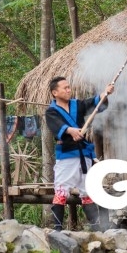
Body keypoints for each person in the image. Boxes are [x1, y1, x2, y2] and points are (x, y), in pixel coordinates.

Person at [45, 76, 115, 231]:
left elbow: (95, 104)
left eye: (69, 87)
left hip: (84, 154)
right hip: (66, 156)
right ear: (55, 92)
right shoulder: (51, 111)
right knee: (61, 191)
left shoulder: (78, 104)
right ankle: (57, 229)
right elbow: (57, 127)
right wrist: (70, 130)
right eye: (65, 88)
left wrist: (104, 95)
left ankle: (96, 229)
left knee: (87, 191)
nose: (69, 90)